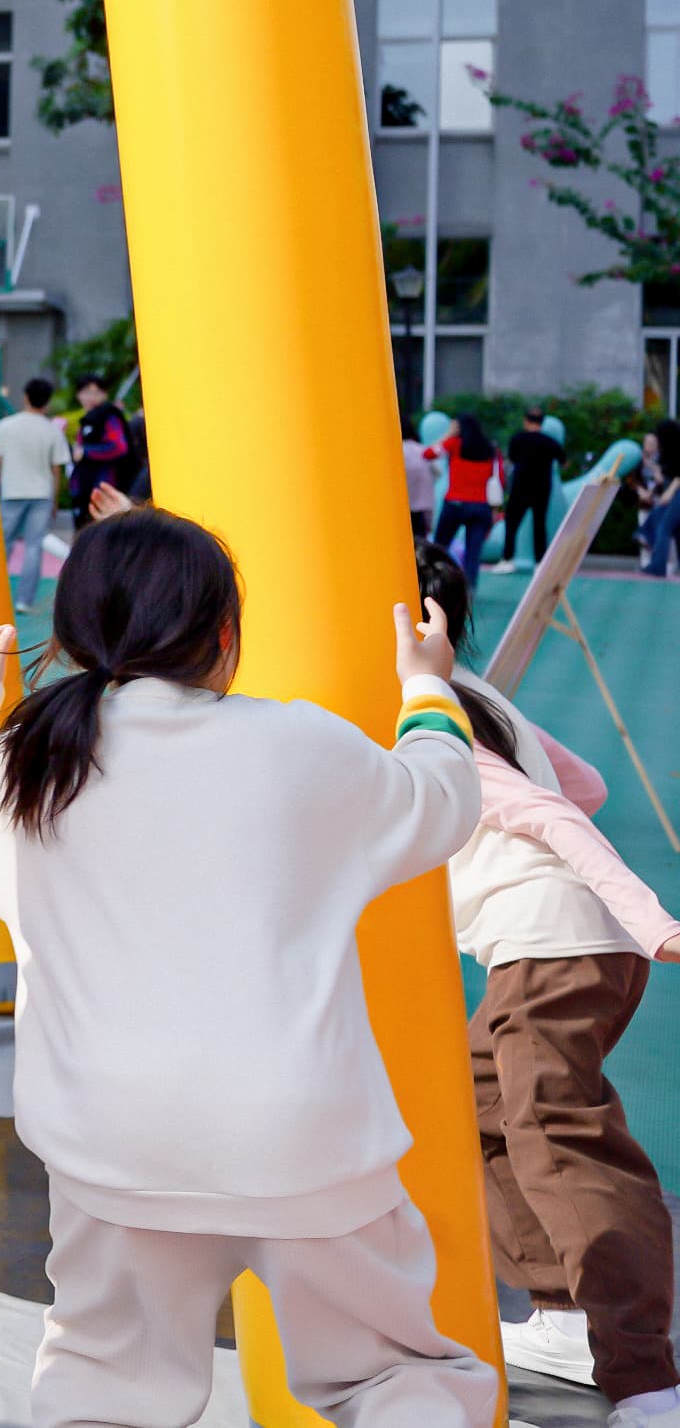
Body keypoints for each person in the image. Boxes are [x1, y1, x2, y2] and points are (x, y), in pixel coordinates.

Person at [0, 509, 493, 1428]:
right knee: (391, 1378)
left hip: (110, 1142)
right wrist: (426, 687)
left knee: (105, 1391)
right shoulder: (299, 745)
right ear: (224, 635)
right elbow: (442, 795)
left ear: (73, 634)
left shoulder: (29, 765)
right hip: (303, 1139)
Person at [414, 544, 680, 1417]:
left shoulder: (433, 718)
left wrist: (650, 917)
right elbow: (585, 783)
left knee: (559, 1134)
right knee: (482, 1103)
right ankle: (565, 1315)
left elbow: (552, 809)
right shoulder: (477, 695)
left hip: (551, 946)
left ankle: (647, 1376)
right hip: (559, 939)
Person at [0, 376, 71, 614]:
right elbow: (56, 469)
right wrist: (54, 499)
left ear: (25, 396)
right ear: (47, 401)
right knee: (34, 547)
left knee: (3, 545)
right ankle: (24, 600)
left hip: (11, 492)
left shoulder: (5, 426)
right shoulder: (51, 430)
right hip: (41, 494)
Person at [428, 413, 502, 585]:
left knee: (439, 549)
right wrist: (495, 510)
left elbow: (428, 454)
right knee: (473, 554)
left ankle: (435, 584)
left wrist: (447, 435)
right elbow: (499, 479)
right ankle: (468, 590)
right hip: (480, 506)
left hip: (455, 503)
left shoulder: (454, 444)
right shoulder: (491, 449)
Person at [495, 408, 561, 576]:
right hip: (542, 488)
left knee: (512, 523)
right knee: (539, 525)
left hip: (520, 487)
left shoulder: (518, 438)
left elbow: (513, 458)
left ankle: (507, 559)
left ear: (526, 420)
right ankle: (540, 563)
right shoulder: (549, 442)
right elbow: (562, 459)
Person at [66, 375, 133, 517]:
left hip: (104, 489)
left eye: (97, 392)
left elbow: (119, 447)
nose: (91, 397)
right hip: (84, 488)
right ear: (78, 395)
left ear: (105, 394)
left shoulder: (109, 416)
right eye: (87, 392)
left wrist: (86, 452)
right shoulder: (88, 419)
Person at [641, 419, 680, 580]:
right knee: (676, 530)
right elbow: (664, 477)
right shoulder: (667, 453)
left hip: (677, 492)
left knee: (664, 525)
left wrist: (669, 493)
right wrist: (651, 466)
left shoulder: (677, 450)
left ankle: (657, 566)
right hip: (674, 492)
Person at [404, 421, 443, 549]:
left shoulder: (396, 450)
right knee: (420, 544)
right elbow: (438, 472)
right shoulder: (422, 449)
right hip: (423, 505)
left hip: (404, 505)